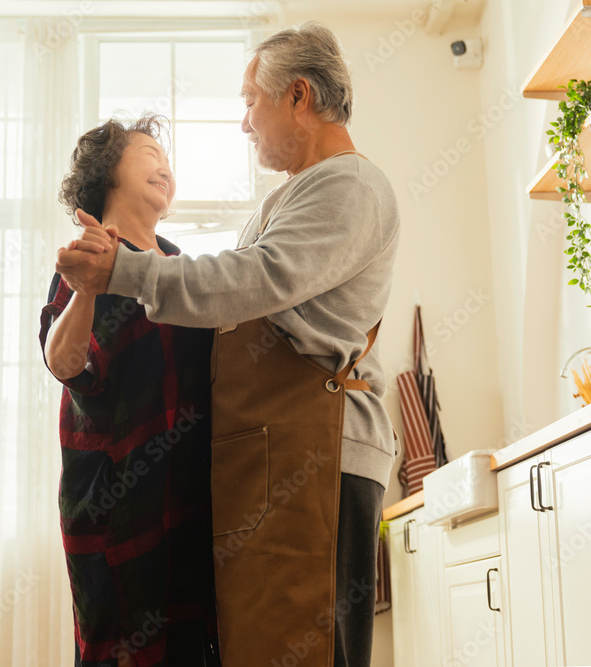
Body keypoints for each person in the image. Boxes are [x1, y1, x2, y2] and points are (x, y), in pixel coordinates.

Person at [55, 22, 399, 667]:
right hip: (285, 451)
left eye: (249, 102)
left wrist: (122, 272)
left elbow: (256, 280)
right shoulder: (298, 192)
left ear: (298, 96)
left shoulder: (346, 185)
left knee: (313, 646)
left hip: (320, 448)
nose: (245, 124)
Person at [39, 114, 221, 667]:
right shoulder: (86, 259)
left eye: (166, 159)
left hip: (189, 504)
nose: (163, 166)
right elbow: (64, 362)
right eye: (147, 152)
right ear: (106, 173)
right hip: (116, 508)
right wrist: (86, 288)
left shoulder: (181, 268)